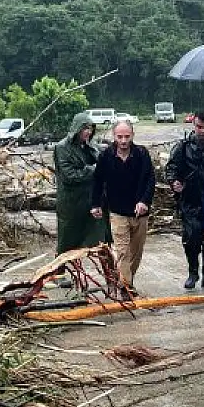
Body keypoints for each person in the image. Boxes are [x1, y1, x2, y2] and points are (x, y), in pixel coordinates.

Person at [90, 120, 155, 288]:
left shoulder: (142, 154)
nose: (124, 141)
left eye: (127, 136)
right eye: (120, 137)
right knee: (122, 252)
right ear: (114, 137)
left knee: (136, 253)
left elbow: (150, 179)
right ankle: (126, 288)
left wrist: (144, 201)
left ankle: (126, 280)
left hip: (140, 213)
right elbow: (97, 181)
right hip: (117, 212)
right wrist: (95, 204)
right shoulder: (106, 156)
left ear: (132, 135)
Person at [168, 111, 204, 290]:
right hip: (190, 200)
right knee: (191, 239)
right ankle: (193, 273)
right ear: (194, 127)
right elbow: (172, 167)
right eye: (199, 127)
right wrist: (174, 182)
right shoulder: (183, 147)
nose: (202, 131)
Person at [53, 112, 110, 255]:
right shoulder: (62, 147)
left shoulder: (89, 145)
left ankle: (111, 275)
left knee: (102, 240)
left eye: (91, 129)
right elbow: (69, 176)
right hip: (71, 204)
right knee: (66, 244)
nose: (88, 132)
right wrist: (94, 170)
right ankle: (58, 274)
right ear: (77, 128)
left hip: (91, 201)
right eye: (85, 128)